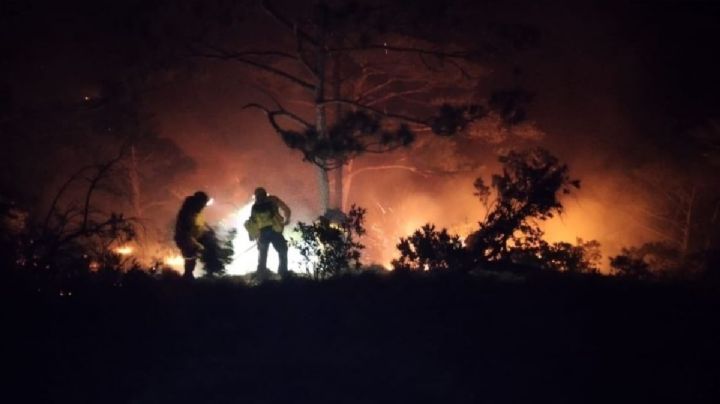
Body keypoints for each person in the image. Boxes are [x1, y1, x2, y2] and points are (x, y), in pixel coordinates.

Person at [244, 187, 291, 277]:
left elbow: (253, 222)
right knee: (283, 250)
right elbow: (286, 209)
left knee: (262, 254)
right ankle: (283, 272)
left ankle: (261, 274)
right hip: (275, 231)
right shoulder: (273, 200)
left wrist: (253, 235)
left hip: (262, 233)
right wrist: (286, 220)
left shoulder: (255, 206)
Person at [174, 191, 211, 279]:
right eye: (203, 203)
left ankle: (188, 276)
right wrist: (195, 242)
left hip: (190, 238)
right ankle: (187, 277)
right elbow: (186, 228)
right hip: (186, 238)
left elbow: (199, 222)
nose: (203, 206)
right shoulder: (188, 212)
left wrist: (207, 229)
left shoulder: (192, 211)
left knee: (191, 257)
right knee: (190, 256)